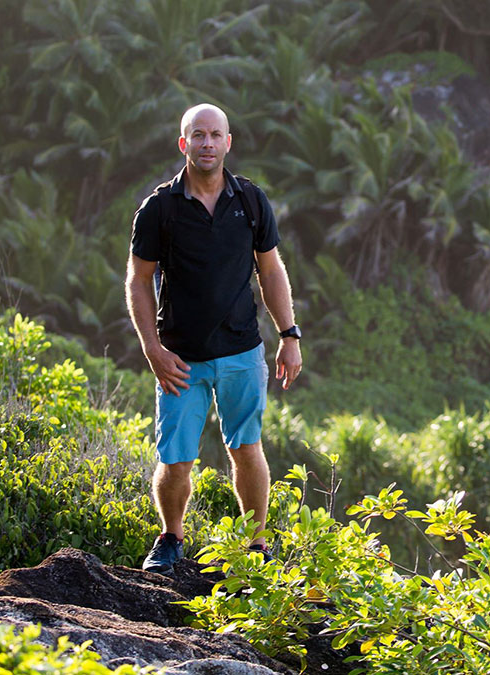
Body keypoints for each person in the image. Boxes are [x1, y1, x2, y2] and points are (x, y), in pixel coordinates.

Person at [126, 103, 302, 577]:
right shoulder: (159, 208)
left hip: (243, 352)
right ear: (184, 144)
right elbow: (139, 280)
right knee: (176, 459)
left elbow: (271, 269)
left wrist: (289, 334)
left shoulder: (250, 201)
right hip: (179, 359)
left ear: (228, 142)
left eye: (215, 135)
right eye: (197, 136)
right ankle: (171, 538)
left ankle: (257, 545)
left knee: (246, 449)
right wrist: (152, 349)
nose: (207, 144)